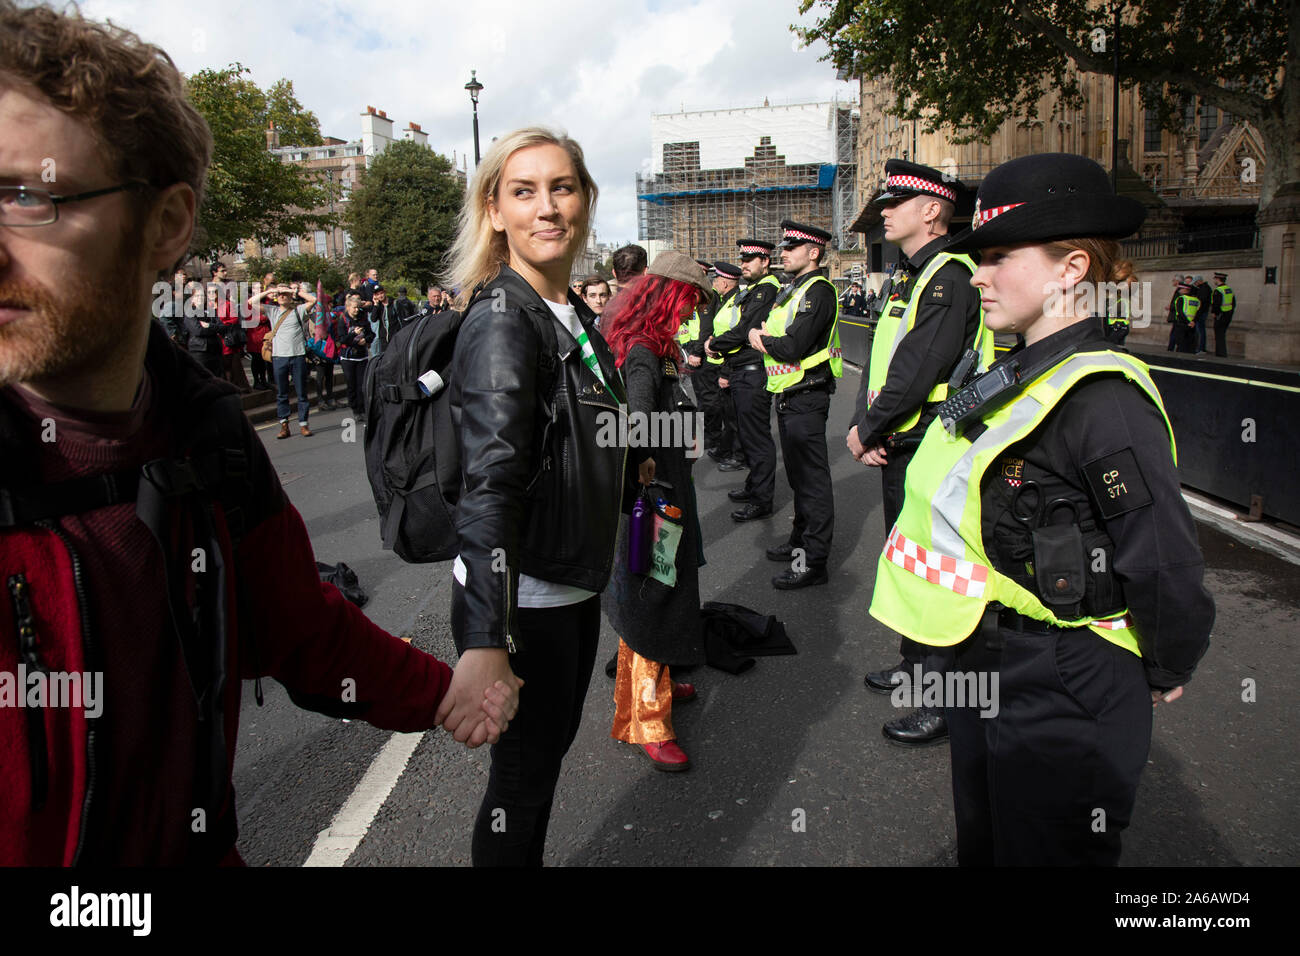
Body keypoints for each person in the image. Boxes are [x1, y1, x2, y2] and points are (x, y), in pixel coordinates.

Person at [0, 0, 516, 866]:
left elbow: (301, 632)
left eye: (26, 197)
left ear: (166, 224)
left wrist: (451, 689)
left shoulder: (209, 440)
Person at [869, 152, 1212, 866]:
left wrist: (1165, 664)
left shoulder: (1103, 398)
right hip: (983, 657)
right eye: (976, 257)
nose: (979, 275)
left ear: (1071, 268)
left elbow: (1162, 558)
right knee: (987, 841)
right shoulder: (1007, 368)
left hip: (1062, 677)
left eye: (997, 257)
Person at [443, 126, 626, 866]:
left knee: (540, 772)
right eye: (524, 191)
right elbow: (488, 485)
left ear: (585, 201)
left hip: (571, 580)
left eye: (563, 188)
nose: (547, 208)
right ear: (495, 211)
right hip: (531, 603)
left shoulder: (569, 314)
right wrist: (486, 641)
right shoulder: (502, 321)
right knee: (521, 786)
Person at [850, 159, 990, 745]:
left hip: (933, 438)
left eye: (896, 201)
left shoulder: (949, 277)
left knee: (938, 571)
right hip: (902, 437)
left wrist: (870, 429)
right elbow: (882, 360)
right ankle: (913, 671)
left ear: (932, 209)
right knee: (909, 559)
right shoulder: (912, 278)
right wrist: (867, 422)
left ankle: (941, 697)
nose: (884, 211)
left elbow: (917, 369)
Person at [599, 253, 711, 770]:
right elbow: (636, 429)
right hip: (655, 495)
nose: (692, 316)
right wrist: (653, 480)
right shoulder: (645, 349)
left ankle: (657, 682)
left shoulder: (655, 344)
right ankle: (646, 717)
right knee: (652, 596)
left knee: (664, 589)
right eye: (690, 305)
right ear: (671, 296)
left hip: (668, 486)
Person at [747, 220, 842, 588]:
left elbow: (791, 346)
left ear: (813, 252)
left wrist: (759, 337)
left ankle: (812, 563)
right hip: (789, 395)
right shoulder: (794, 290)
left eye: (791, 247)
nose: (782, 253)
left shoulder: (818, 291)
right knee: (800, 480)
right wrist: (768, 337)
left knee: (812, 484)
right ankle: (799, 544)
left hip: (807, 394)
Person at [708, 238, 782, 518]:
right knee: (749, 436)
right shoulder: (754, 289)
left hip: (753, 372)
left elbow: (744, 330)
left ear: (765, 261)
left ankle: (762, 500)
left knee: (756, 439)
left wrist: (714, 344)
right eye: (742, 260)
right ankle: (754, 486)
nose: (744, 265)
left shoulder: (766, 290)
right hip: (741, 371)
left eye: (749, 260)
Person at [248, 282, 315, 438]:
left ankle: (303, 424)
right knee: (282, 393)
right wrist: (270, 291)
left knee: (301, 393)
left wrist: (294, 291)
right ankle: (284, 425)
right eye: (280, 294)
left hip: (297, 355)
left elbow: (313, 301)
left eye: (285, 294)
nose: (282, 296)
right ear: (276, 298)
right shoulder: (273, 310)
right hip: (279, 357)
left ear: (291, 296)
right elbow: (251, 302)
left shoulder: (298, 310)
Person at [336, 293, 370, 421]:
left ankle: (363, 409)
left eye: (358, 308)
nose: (356, 310)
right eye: (354, 307)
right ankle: (355, 409)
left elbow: (370, 334)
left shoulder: (363, 318)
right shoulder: (343, 320)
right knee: (352, 385)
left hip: (361, 357)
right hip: (348, 358)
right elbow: (342, 339)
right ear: (348, 307)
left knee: (362, 385)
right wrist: (354, 338)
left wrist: (365, 340)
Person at [182, 281, 223, 377]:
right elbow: (198, 331)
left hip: (215, 349)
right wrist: (214, 329)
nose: (200, 298)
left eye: (202, 295)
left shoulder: (210, 311)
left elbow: (222, 327)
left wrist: (209, 326)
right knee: (204, 377)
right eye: (197, 296)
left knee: (218, 378)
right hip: (200, 350)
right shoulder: (190, 312)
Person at [1170, 281, 1200, 353]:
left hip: (1182, 323)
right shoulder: (1196, 300)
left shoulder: (1181, 299)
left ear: (1186, 290)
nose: (1179, 290)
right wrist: (1193, 322)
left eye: (1181, 289)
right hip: (1192, 325)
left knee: (1181, 344)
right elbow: (1198, 312)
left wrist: (1188, 322)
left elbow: (1180, 312)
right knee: (1189, 345)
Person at [1211, 271, 1235, 357]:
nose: (1214, 280)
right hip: (1228, 314)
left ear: (1218, 279)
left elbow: (1216, 304)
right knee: (1222, 334)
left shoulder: (1218, 290)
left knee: (1219, 335)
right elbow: (1233, 303)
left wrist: (1214, 312)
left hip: (1220, 315)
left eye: (1215, 278)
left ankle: (1220, 354)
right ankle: (1221, 353)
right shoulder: (1229, 289)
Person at [1192, 275, 1212, 354]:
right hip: (1202, 312)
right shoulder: (1204, 288)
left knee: (1200, 331)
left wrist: (1197, 315)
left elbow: (1201, 303)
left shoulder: (1204, 289)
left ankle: (1201, 348)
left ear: (1199, 281)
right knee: (1200, 330)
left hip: (1201, 312)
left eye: (1196, 283)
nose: (1195, 285)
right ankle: (1200, 348)